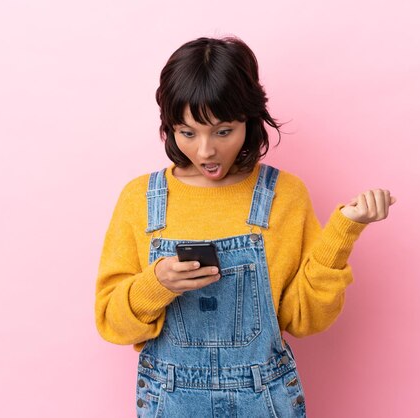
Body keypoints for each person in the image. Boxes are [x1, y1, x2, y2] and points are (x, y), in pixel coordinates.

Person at [94, 36, 395, 417]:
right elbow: (111, 323)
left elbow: (303, 319)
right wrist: (158, 284)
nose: (205, 151)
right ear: (169, 128)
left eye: (223, 131)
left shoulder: (283, 195)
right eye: (187, 133)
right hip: (170, 403)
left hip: (264, 401)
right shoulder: (140, 199)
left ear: (249, 121)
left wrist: (343, 232)